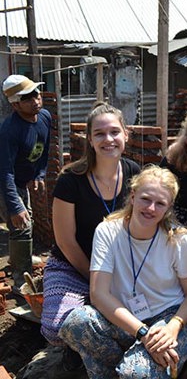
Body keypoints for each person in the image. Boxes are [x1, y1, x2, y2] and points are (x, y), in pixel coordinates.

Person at [59, 165, 187, 378]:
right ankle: (129, 365)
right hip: (128, 318)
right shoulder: (108, 231)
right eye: (146, 199)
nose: (151, 208)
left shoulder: (178, 238)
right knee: (76, 324)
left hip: (170, 316)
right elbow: (98, 294)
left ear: (169, 207)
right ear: (133, 195)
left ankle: (137, 365)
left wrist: (173, 327)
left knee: (134, 374)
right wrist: (143, 333)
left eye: (160, 203)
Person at [41, 102, 140, 370]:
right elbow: (66, 241)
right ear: (89, 139)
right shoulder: (70, 180)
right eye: (99, 134)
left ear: (126, 135)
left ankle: (109, 359)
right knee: (55, 326)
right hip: (74, 267)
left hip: (121, 268)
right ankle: (92, 351)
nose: (108, 139)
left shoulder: (135, 174)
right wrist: (97, 280)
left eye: (114, 132)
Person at [0, 74, 51, 291]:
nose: (35, 100)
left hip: (19, 181)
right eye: (28, 98)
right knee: (22, 226)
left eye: (36, 94)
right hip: (5, 182)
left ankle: (22, 266)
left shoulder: (45, 117)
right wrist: (14, 206)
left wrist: (39, 173)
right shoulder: (9, 130)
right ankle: (21, 281)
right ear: (15, 104)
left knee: (23, 227)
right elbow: (4, 172)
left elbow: (45, 147)